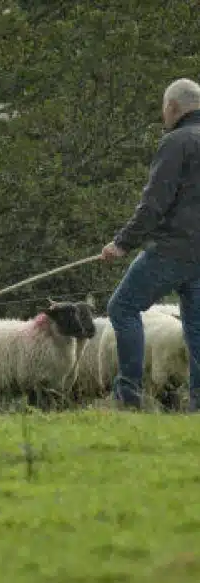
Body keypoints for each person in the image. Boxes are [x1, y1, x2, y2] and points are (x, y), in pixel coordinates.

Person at [100, 77, 200, 411]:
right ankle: (198, 405)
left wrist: (121, 244)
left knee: (122, 308)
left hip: (172, 251)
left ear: (173, 107)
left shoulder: (176, 142)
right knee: (197, 327)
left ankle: (127, 395)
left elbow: (154, 203)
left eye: (163, 109)